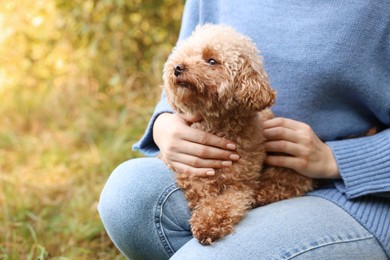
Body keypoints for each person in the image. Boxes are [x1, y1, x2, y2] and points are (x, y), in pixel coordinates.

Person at [98, 1, 390, 259]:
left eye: (212, 61)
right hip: (228, 164)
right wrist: (166, 121)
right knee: (128, 196)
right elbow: (182, 66)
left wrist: (339, 158)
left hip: (355, 195)